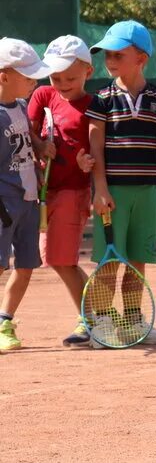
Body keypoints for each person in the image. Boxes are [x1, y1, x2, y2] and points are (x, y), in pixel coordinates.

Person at [86, 20, 156, 346]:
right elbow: (95, 145)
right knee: (110, 263)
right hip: (112, 194)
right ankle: (99, 326)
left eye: (117, 54)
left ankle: (131, 322)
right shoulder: (101, 99)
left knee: (137, 261)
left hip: (148, 192)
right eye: (106, 55)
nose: (109, 61)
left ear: (141, 58)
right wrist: (100, 188)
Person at [27, 35, 97, 346]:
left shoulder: (95, 106)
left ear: (88, 73)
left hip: (74, 191)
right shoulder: (43, 96)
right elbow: (25, 129)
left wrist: (87, 163)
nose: (62, 83)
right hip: (43, 192)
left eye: (70, 77)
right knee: (56, 258)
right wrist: (41, 145)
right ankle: (96, 316)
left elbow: (98, 149)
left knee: (60, 259)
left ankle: (91, 319)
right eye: (56, 76)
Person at [0, 38, 53, 350]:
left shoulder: (20, 106)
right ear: (4, 76)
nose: (35, 81)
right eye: (28, 76)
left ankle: (5, 320)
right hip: (4, 205)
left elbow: (31, 139)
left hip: (29, 202)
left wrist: (42, 146)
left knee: (27, 264)